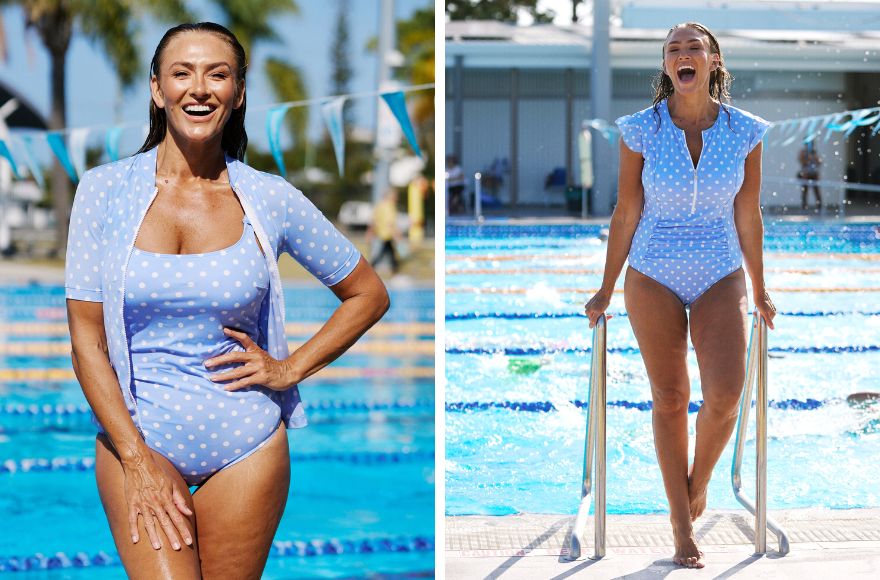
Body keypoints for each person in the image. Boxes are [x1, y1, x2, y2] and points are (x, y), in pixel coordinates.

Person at [64, 22, 389, 578]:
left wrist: (289, 369)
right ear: (156, 89)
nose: (199, 88)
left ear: (239, 93)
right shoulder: (103, 190)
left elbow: (367, 293)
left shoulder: (269, 197)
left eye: (219, 74)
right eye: (182, 72)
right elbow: (86, 341)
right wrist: (137, 458)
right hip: (138, 439)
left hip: (247, 446)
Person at [584, 22, 776, 569]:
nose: (683, 55)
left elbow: (748, 211)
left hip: (719, 268)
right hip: (651, 270)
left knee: (726, 395)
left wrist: (760, 289)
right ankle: (680, 524)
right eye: (673, 49)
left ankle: (700, 481)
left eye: (694, 47)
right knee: (669, 398)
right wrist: (604, 288)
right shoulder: (640, 130)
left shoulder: (745, 132)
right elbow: (627, 210)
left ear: (714, 62)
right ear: (666, 66)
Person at [367, 188, 401, 274]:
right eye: (395, 196)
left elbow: (374, 219)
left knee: (388, 250)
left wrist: (371, 231)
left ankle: (394, 267)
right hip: (387, 233)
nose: (396, 198)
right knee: (386, 251)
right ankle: (394, 268)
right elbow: (390, 222)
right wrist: (396, 233)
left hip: (381, 232)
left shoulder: (380, 205)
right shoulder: (389, 206)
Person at [798, 141, 822, 210]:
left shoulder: (814, 153)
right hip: (806, 174)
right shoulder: (803, 152)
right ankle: (804, 206)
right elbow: (801, 161)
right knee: (805, 191)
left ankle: (819, 206)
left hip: (814, 174)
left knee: (816, 190)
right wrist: (808, 158)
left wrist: (814, 157)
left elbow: (819, 162)